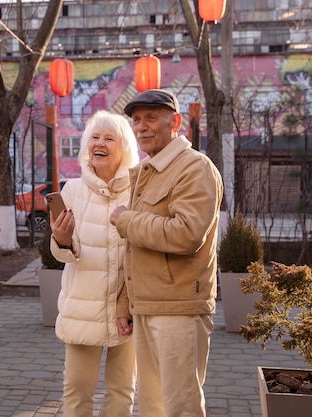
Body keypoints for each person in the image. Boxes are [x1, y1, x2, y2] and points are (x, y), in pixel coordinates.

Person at [110, 89, 223, 417]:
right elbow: (135, 251)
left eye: (150, 118)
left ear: (174, 122)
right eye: (136, 119)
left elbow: (187, 234)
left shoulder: (194, 168)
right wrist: (125, 304)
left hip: (179, 309)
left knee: (180, 407)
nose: (141, 126)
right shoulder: (149, 171)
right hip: (147, 306)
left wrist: (127, 220)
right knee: (153, 407)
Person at [50, 110, 140, 417]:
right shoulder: (73, 190)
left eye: (109, 138)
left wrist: (127, 303)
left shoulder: (138, 190)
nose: (99, 143)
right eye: (94, 138)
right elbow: (65, 254)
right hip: (83, 308)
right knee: (76, 390)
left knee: (122, 391)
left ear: (124, 147)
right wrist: (61, 239)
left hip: (127, 309)